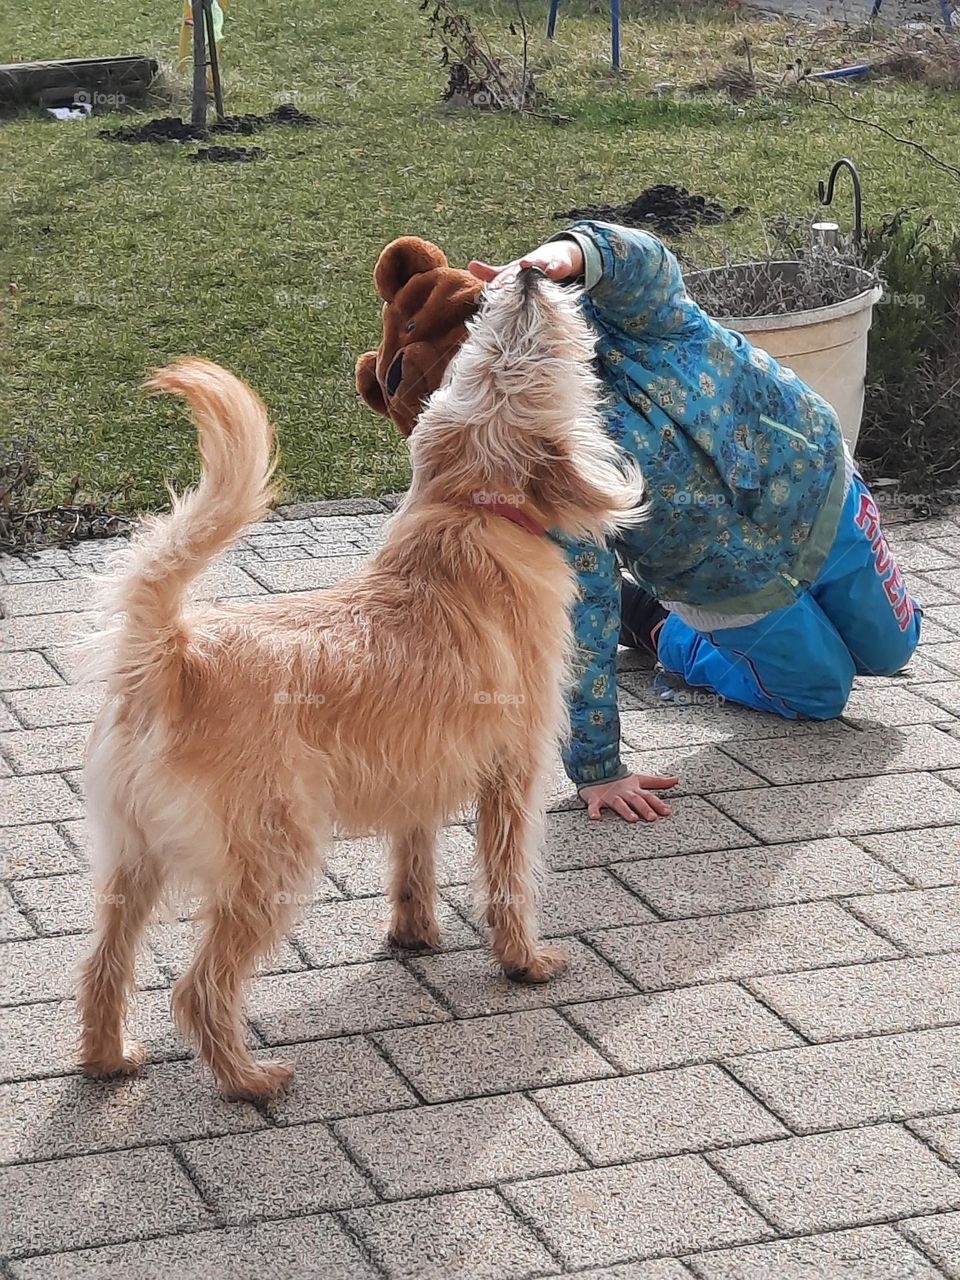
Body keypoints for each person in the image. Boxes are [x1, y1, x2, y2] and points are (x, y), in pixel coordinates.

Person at [468, 223, 922, 825]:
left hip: (820, 498)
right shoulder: (551, 468)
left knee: (895, 648)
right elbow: (583, 615)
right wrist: (599, 767)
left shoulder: (648, 324)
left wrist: (568, 252)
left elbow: (643, 261)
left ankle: (827, 609)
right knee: (820, 694)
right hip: (722, 584)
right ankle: (659, 628)